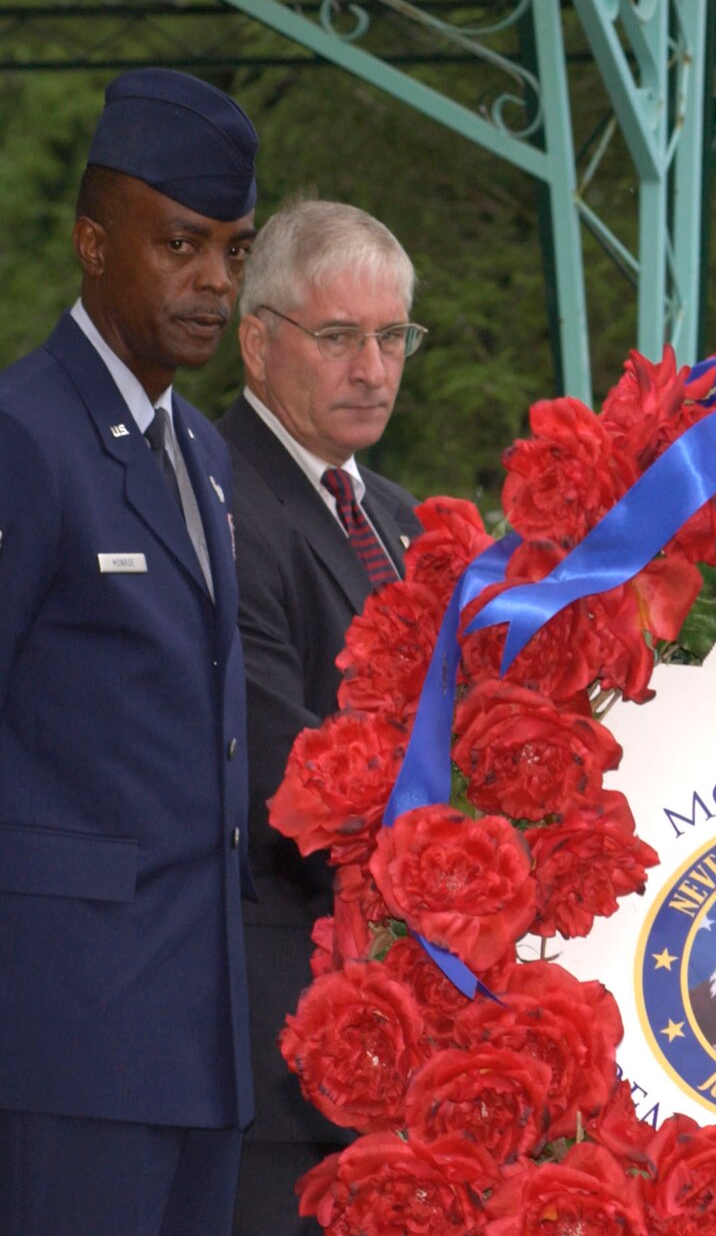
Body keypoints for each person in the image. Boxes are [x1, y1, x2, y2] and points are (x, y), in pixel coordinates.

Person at [0, 68, 258, 1235]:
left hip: (197, 1032)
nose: (213, 283)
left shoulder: (197, 448)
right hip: (65, 1036)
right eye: (181, 245)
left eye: (234, 252)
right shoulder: (25, 437)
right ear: (93, 244)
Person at [215, 200, 425, 1235]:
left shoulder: (397, 516)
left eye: (392, 337)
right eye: (339, 337)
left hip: (393, 1037)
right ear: (257, 343)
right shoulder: (211, 498)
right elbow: (280, 769)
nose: (373, 368)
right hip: (277, 1049)